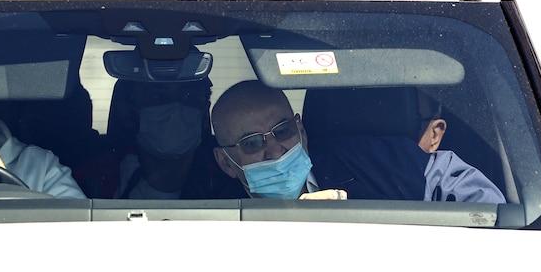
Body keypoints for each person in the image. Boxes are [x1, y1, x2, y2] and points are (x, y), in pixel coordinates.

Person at [211, 80, 505, 203]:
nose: (274, 151)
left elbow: (482, 202)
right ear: (225, 162)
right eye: (252, 143)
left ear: (300, 128)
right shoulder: (196, 207)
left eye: (283, 130)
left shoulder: (379, 164)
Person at [74, 79, 226, 199]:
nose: (175, 109)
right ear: (127, 113)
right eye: (157, 96)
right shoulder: (90, 181)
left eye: (188, 95)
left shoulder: (232, 173)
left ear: (205, 114)